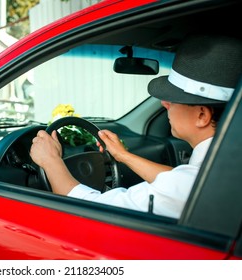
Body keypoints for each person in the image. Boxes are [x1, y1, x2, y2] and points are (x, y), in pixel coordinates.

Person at [30, 34, 242, 219]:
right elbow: (182, 181)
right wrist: (123, 156)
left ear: (202, 115)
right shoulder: (218, 171)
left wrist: (50, 161)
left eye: (172, 100)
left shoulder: (187, 186)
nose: (164, 103)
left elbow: (88, 208)